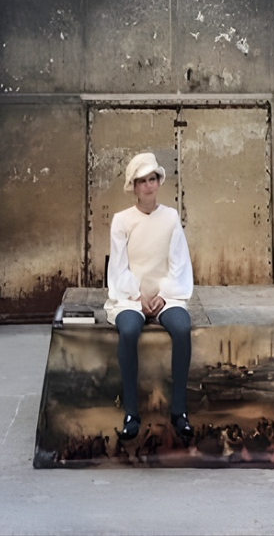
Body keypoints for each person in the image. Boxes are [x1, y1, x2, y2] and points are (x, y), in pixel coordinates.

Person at [105, 151, 195, 442]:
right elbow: (118, 267)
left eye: (152, 179)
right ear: (133, 186)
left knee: (181, 328)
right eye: (142, 181)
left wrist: (164, 294)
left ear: (159, 181)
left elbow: (179, 262)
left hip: (167, 295)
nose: (148, 186)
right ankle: (132, 413)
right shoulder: (122, 221)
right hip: (132, 296)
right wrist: (138, 296)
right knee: (129, 330)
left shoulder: (170, 217)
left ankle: (178, 411)